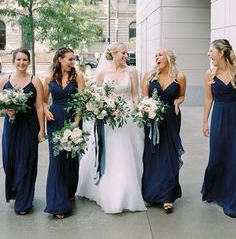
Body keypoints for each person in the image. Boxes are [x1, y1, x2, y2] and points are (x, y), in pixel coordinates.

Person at [78, 42, 146, 214]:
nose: (125, 56)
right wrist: (103, 109)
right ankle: (110, 191)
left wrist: (140, 113)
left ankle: (131, 188)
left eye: (126, 53)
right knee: (113, 151)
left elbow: (135, 95)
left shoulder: (132, 71)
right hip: (108, 118)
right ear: (114, 54)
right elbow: (97, 96)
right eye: (123, 53)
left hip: (128, 115)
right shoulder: (101, 72)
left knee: (131, 152)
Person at [0, 48, 45, 215]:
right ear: (14, 61)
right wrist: (6, 111)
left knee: (27, 160)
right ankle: (16, 192)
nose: (22, 63)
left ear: (29, 62)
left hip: (29, 126)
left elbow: (39, 106)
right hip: (11, 127)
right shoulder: (4, 80)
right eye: (19, 59)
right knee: (9, 160)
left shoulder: (35, 81)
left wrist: (42, 130)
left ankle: (24, 202)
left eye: (25, 60)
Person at [141, 47, 186, 213]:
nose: (156, 57)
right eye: (155, 55)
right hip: (152, 119)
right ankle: (151, 194)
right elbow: (144, 98)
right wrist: (148, 110)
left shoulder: (179, 77)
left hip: (172, 118)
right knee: (153, 153)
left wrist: (178, 102)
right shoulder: (149, 76)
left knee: (169, 154)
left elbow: (181, 95)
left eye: (160, 55)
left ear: (168, 57)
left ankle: (167, 195)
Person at [44, 47, 85, 219]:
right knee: (56, 159)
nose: (72, 62)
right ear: (60, 59)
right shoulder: (49, 77)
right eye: (69, 59)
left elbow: (82, 101)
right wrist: (46, 110)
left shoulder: (78, 77)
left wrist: (77, 121)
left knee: (70, 157)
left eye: (73, 59)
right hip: (54, 119)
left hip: (72, 119)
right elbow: (43, 101)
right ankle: (57, 203)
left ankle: (69, 190)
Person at [201, 39, 236, 217]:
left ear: (221, 53)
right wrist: (205, 121)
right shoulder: (210, 74)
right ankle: (214, 190)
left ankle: (230, 198)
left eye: (211, 51)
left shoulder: (235, 71)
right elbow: (208, 99)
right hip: (219, 117)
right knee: (217, 157)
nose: (208, 54)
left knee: (233, 158)